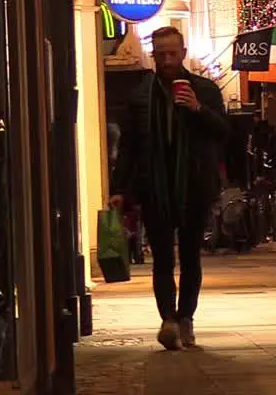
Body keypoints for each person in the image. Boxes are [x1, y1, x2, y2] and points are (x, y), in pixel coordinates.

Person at [110, 26, 228, 351]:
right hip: (155, 187)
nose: (166, 60)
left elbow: (223, 133)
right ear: (153, 54)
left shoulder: (204, 89)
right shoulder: (140, 95)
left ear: (183, 53)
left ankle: (186, 317)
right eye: (160, 54)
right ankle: (168, 321)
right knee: (162, 257)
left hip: (194, 185)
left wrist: (197, 109)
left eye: (172, 53)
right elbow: (130, 146)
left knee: (190, 256)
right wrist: (120, 188)